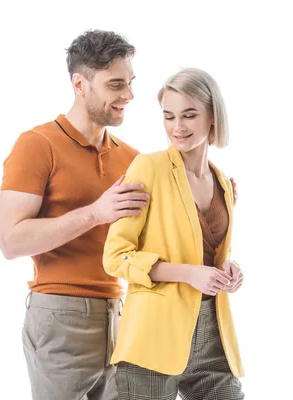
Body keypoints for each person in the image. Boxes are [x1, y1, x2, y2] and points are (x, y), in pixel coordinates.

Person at [0, 30, 149, 400]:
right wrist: (95, 213)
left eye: (130, 83)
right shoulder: (37, 144)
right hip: (60, 315)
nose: (128, 95)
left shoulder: (133, 159)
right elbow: (10, 240)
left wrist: (212, 192)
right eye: (115, 84)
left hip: (120, 315)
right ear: (79, 84)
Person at [103, 67, 245, 400]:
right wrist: (188, 274)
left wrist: (227, 270)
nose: (177, 127)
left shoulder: (222, 181)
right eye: (169, 116)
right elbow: (116, 256)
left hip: (213, 333)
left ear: (212, 116)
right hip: (154, 335)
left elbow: (204, 251)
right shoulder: (148, 168)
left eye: (189, 115)